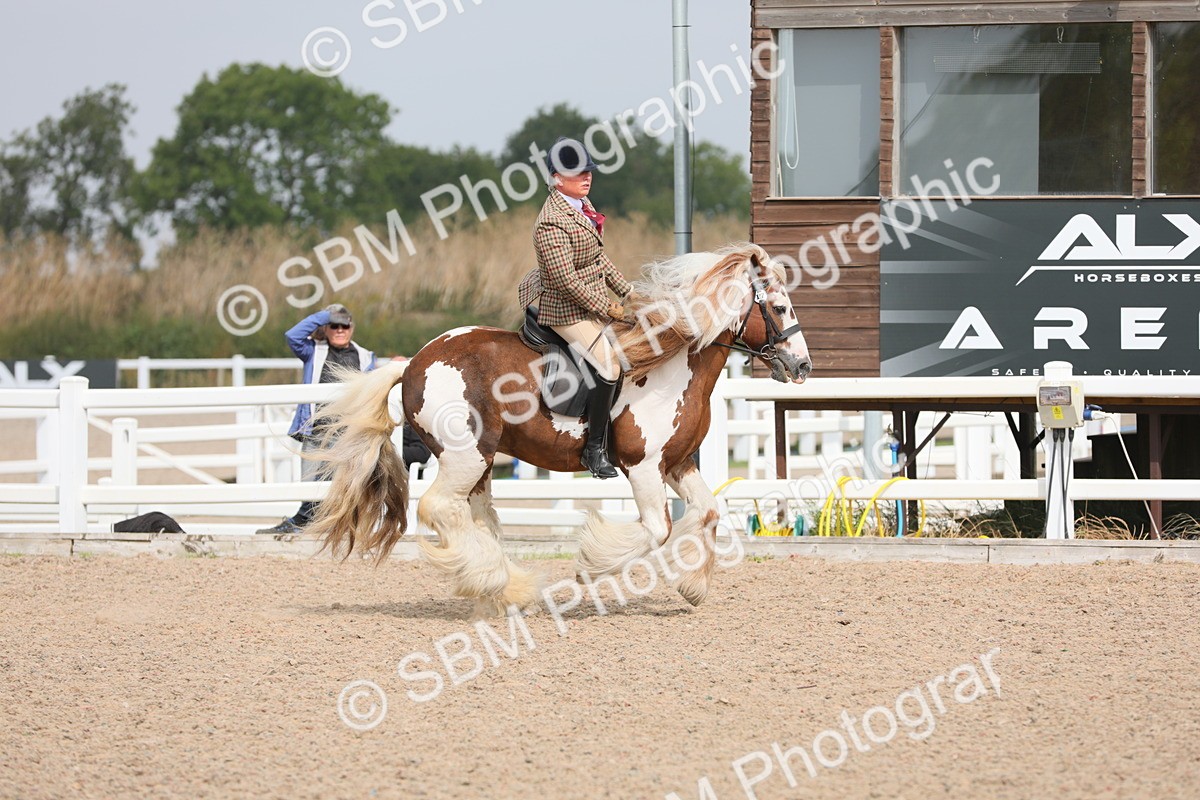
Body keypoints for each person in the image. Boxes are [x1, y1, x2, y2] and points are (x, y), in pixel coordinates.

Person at [516, 137, 631, 479]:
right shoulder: (551, 221)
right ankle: (594, 450)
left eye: (588, 170)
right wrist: (609, 306)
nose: (587, 176)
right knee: (609, 368)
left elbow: (598, 258)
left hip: (587, 303)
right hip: (565, 311)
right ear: (556, 178)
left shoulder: (581, 205)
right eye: (577, 172)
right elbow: (566, 281)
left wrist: (629, 293)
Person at [257, 304, 376, 534]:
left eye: (345, 325)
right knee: (309, 483)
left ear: (352, 328)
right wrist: (324, 316)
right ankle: (304, 525)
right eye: (334, 325)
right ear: (326, 328)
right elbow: (292, 335)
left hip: (347, 431)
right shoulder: (314, 350)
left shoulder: (365, 356)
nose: (340, 329)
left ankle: (320, 527)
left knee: (343, 483)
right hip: (317, 429)